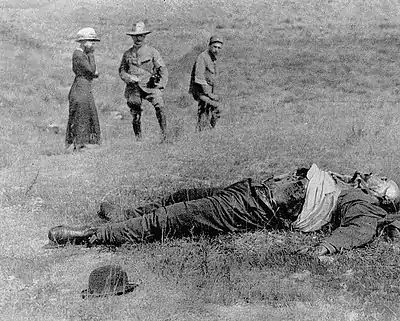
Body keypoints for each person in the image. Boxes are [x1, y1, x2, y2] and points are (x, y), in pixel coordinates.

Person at [47, 164, 400, 256]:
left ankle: (89, 237)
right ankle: (128, 215)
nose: (372, 175)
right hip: (252, 189)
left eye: (379, 180)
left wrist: (327, 246)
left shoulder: (363, 204)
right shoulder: (353, 184)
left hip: (257, 205)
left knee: (175, 217)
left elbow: (357, 230)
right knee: (187, 194)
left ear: (383, 198)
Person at [119, 21, 168, 141]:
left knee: (160, 107)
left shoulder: (152, 52)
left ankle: (164, 136)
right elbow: (122, 71)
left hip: (150, 86)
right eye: (135, 36)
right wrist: (129, 78)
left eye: (140, 36)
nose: (138, 38)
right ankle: (138, 139)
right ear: (132, 37)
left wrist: (160, 85)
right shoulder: (127, 54)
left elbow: (162, 69)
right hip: (134, 87)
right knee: (135, 112)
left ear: (144, 36)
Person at [65, 27, 101, 151]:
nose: (93, 44)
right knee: (82, 114)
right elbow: (91, 70)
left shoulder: (80, 54)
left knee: (86, 113)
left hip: (83, 87)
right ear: (83, 41)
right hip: (81, 88)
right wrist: (91, 55)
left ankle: (83, 144)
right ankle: (80, 145)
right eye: (91, 41)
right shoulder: (79, 55)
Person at [189, 36, 223, 131]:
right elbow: (199, 78)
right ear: (209, 46)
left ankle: (202, 132)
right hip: (199, 92)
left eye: (219, 48)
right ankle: (211, 129)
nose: (216, 50)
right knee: (217, 107)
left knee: (204, 111)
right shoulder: (202, 57)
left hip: (207, 92)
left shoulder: (213, 58)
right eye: (214, 47)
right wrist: (209, 94)